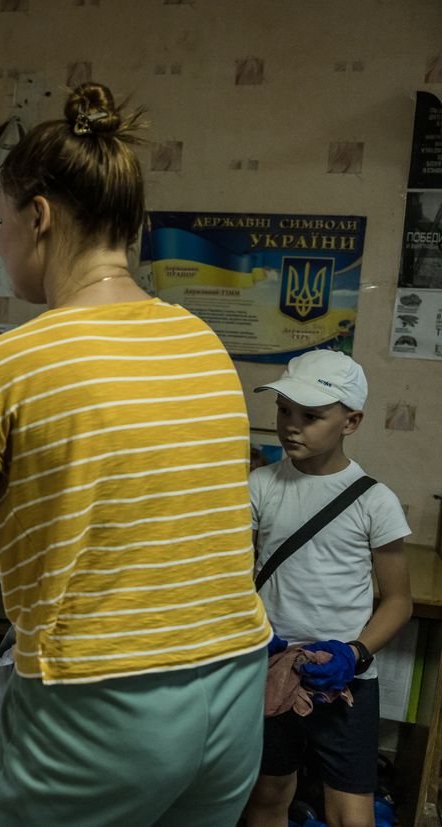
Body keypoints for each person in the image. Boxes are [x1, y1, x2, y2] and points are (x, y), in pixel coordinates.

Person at [0, 82, 272, 825]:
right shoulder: (200, 343)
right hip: (234, 695)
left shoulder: (7, 366)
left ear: (37, 217)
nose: (1, 239)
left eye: (1, 220)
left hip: (104, 707)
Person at [242, 350, 412, 827]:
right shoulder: (260, 485)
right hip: (271, 667)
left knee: (351, 813)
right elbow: (233, 576)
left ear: (350, 421)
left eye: (311, 416)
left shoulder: (374, 501)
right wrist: (255, 631)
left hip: (345, 680)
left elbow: (399, 601)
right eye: (284, 411)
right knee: (268, 792)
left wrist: (354, 654)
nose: (292, 426)